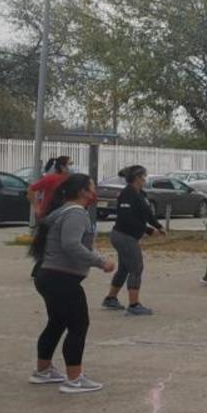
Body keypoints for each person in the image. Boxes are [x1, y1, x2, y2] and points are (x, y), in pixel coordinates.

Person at [27, 174, 115, 394]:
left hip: (49, 276)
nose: (95, 192)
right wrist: (100, 262)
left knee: (56, 323)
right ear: (83, 191)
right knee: (78, 326)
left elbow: (74, 244)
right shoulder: (76, 213)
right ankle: (74, 379)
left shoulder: (61, 211)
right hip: (61, 279)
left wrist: (96, 256)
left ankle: (43, 371)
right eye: (92, 188)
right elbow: (71, 245)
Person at [103, 165, 165, 316]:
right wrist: (149, 230)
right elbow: (126, 218)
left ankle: (110, 298)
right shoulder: (127, 193)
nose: (146, 178)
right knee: (136, 268)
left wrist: (158, 225)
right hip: (123, 236)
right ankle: (134, 305)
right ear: (138, 177)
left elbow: (148, 213)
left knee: (125, 268)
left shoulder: (141, 193)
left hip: (129, 236)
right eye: (144, 176)